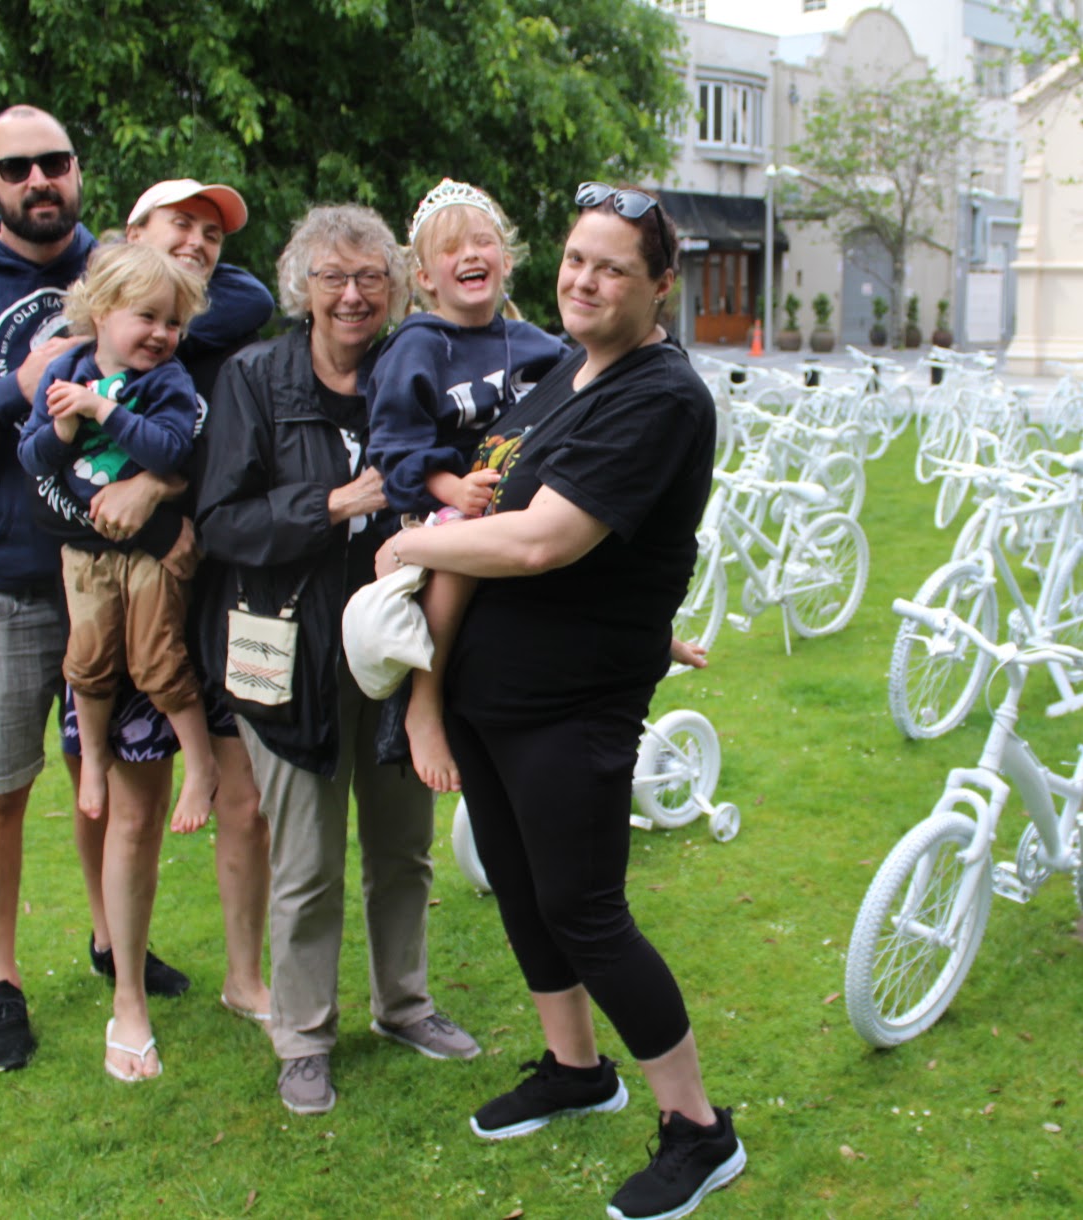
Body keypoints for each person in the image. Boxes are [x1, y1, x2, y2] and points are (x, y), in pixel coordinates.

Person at [375, 183, 746, 1220]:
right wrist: (432, 695)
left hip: (570, 702)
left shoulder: (658, 395)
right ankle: (574, 1066)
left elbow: (541, 538)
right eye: (576, 260)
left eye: (613, 266)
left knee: (586, 912)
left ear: (660, 284)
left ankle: (698, 1128)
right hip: (492, 694)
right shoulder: (558, 378)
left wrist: (407, 540)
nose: (584, 280)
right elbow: (501, 507)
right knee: (527, 894)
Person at [0, 105, 186, 1080]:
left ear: (76, 167)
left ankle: (112, 942)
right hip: (4, 580)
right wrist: (15, 388)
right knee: (1, 784)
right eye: (15, 168)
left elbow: (217, 312)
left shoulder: (123, 272)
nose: (38, 179)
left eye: (53, 161)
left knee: (100, 782)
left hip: (117, 574)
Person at [195, 204, 480, 1117]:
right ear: (303, 288)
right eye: (333, 278)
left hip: (398, 654)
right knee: (307, 863)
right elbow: (222, 523)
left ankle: (404, 1005)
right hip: (291, 652)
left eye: (371, 279)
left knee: (402, 849)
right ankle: (305, 1039)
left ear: (397, 289)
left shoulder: (421, 367)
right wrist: (327, 504)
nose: (353, 297)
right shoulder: (253, 379)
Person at [365, 179, 565, 792]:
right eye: (452, 248)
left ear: (507, 259)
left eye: (484, 242)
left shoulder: (542, 346)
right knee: (461, 550)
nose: (471, 255)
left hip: (530, 509)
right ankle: (422, 704)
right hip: (447, 514)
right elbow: (392, 449)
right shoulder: (417, 347)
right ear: (425, 276)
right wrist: (451, 489)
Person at [17, 242, 219, 834]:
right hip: (85, 553)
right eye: (147, 317)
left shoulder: (167, 383)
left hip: (150, 556)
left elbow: (170, 448)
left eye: (173, 322)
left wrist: (103, 413)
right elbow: (31, 459)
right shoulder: (65, 372)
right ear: (101, 311)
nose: (161, 334)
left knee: (158, 660)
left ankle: (201, 767)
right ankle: (97, 760)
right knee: (86, 660)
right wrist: (62, 424)